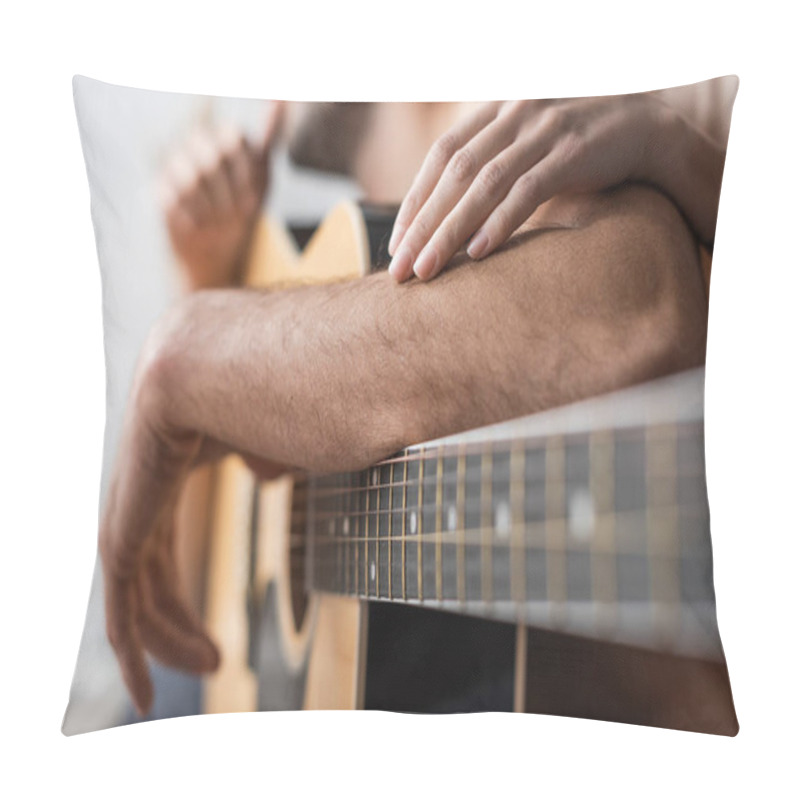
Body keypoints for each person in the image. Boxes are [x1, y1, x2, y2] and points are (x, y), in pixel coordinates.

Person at [102, 79, 737, 715]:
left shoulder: (595, 98)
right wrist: (211, 276)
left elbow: (629, 317)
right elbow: (186, 619)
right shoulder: (346, 230)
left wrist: (198, 348)